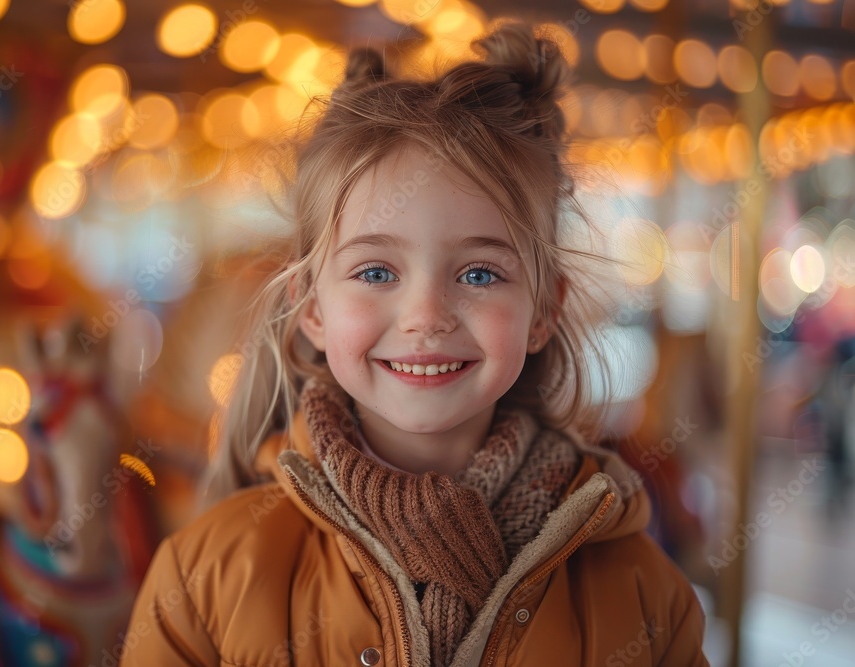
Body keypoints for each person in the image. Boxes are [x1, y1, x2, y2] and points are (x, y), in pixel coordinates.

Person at [120, 19, 708, 667]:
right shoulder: (206, 577)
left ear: (543, 310)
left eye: (480, 273)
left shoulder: (644, 596)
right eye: (377, 272)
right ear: (312, 307)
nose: (426, 315)